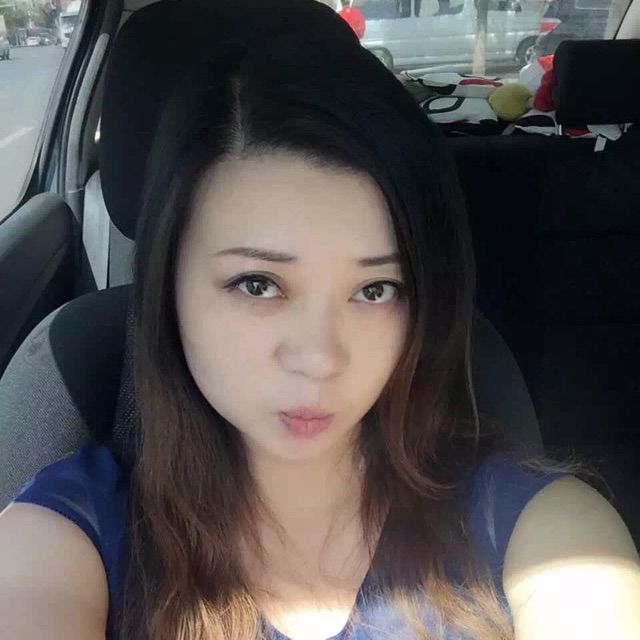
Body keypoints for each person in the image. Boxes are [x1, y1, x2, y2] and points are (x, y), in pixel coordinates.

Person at [1, 0, 639, 638]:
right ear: (169, 287)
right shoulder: (63, 539)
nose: (319, 358)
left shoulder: (540, 529)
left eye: (376, 289)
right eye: (258, 284)